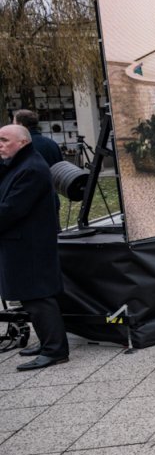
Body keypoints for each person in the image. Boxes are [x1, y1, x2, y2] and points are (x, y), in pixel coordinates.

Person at [0, 125, 68, 370]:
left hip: (29, 245)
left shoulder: (31, 169)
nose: (0, 144)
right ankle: (48, 343)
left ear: (22, 142)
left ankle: (55, 349)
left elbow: (11, 210)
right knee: (32, 298)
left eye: (4, 140)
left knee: (38, 297)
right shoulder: (20, 163)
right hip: (22, 242)